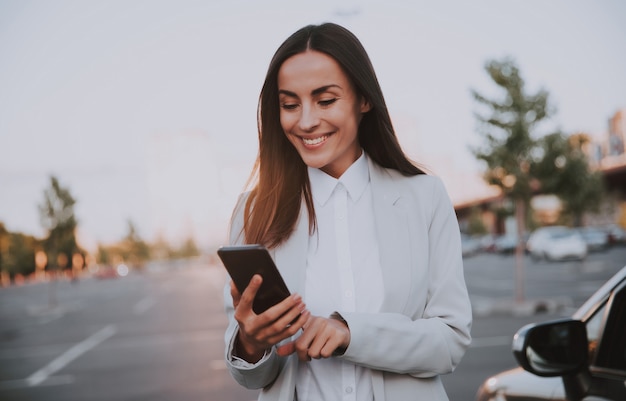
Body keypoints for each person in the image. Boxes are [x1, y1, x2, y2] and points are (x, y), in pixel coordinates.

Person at [223, 22, 472, 401]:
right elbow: (252, 375)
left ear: (363, 99)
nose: (305, 121)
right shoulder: (255, 210)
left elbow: (450, 342)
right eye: (289, 104)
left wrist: (352, 333)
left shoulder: (424, 196)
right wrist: (252, 343)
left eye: (325, 101)